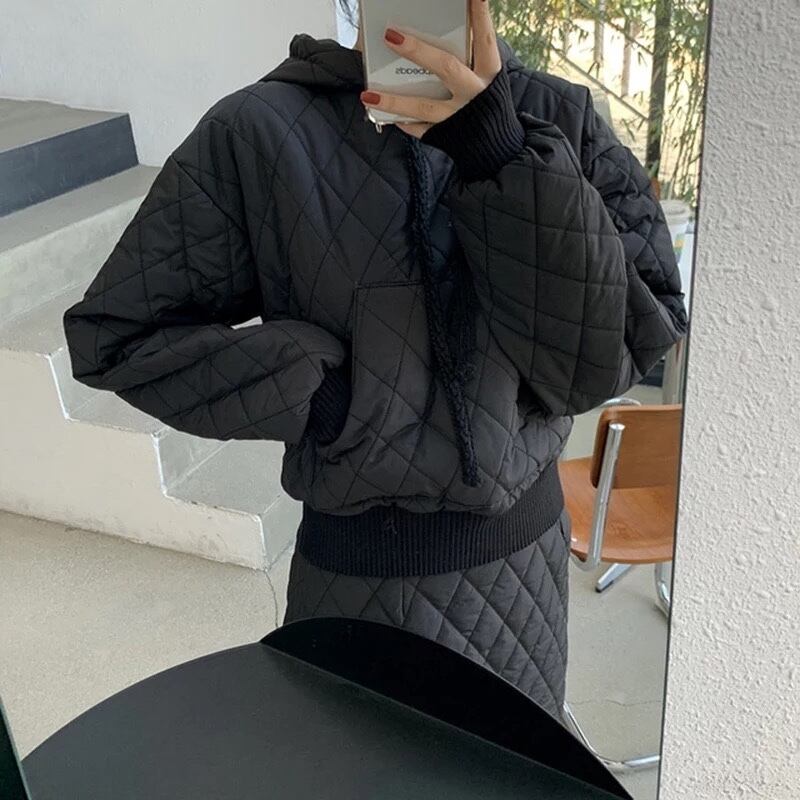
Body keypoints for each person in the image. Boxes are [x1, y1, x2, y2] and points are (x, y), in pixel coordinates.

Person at [62, 0, 687, 719]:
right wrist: (315, 394)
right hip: (353, 583)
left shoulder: (557, 120)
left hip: (524, 579)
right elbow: (117, 335)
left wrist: (500, 154)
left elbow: (611, 355)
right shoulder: (260, 131)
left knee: (512, 768)